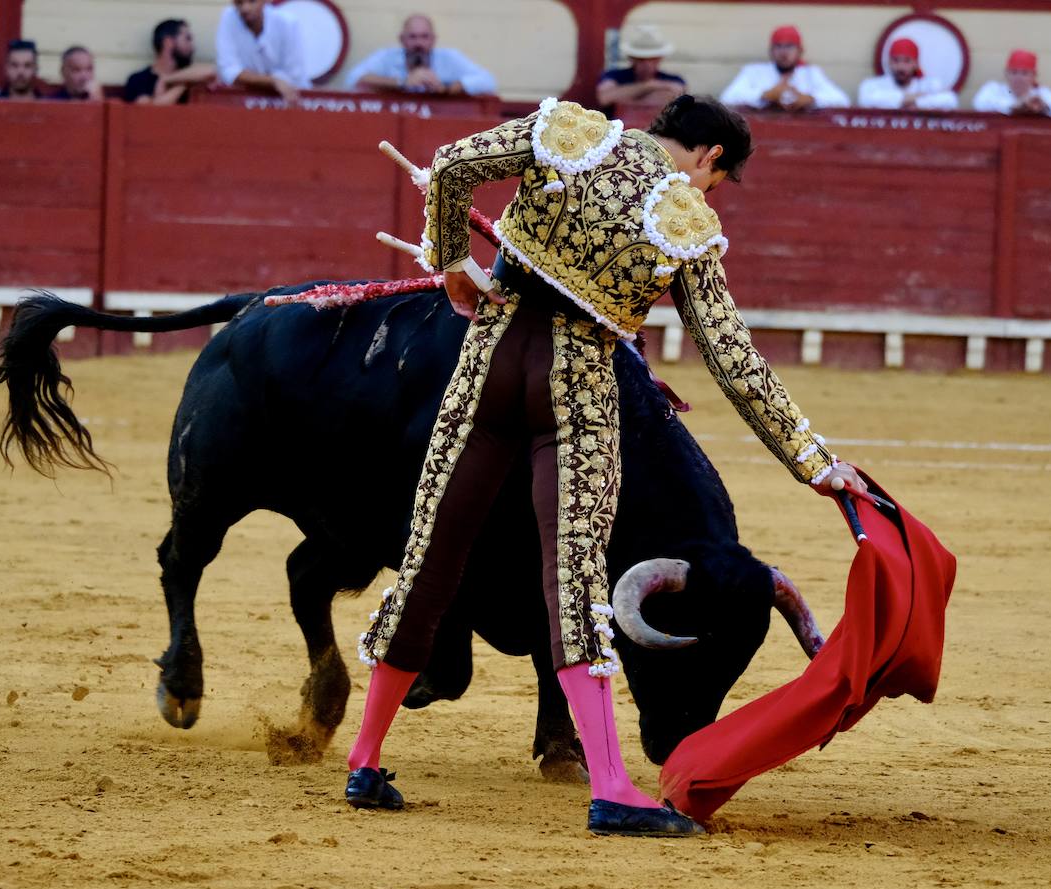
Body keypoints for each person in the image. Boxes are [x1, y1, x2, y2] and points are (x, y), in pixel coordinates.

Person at [345, 94, 866, 836]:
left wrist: (453, 261)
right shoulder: (684, 220)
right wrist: (813, 461)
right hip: (577, 387)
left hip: (487, 362)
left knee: (430, 558)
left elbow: (453, 166)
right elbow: (732, 359)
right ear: (710, 157)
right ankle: (612, 786)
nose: (708, 192)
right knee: (575, 580)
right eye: (717, 180)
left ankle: (364, 762)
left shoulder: (569, 130)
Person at [345, 14, 496, 96]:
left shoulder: (448, 58)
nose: (419, 43)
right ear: (402, 39)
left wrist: (448, 88)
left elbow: (489, 81)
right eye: (413, 37)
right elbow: (353, 79)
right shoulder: (387, 57)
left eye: (424, 37)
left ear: (433, 39)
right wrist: (402, 82)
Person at [719, 25, 848, 111]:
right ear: (771, 51)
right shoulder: (754, 71)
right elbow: (727, 98)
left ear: (800, 51)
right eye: (779, 46)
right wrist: (764, 95)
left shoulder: (811, 73)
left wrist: (810, 99)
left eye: (789, 46)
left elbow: (842, 101)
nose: (784, 52)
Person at [216, 0, 310, 104]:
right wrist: (272, 81)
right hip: (245, 98)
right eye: (239, 3)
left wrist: (254, 79)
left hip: (290, 100)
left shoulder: (287, 23)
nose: (245, 8)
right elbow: (228, 71)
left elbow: (294, 76)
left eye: (252, 1)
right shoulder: (228, 17)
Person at [594, 24, 686, 117]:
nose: (647, 64)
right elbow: (604, 98)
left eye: (652, 59)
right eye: (641, 59)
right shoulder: (612, 76)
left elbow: (678, 96)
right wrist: (650, 86)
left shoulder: (674, 79)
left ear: (659, 59)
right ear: (632, 59)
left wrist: (626, 94)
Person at [124, 18, 217, 105]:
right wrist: (184, 83)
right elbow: (150, 109)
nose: (192, 47)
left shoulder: (190, 74)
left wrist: (167, 80)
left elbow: (214, 71)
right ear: (168, 42)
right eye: (187, 39)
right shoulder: (139, 79)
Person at [857, 37, 955, 110]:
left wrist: (917, 104)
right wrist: (915, 97)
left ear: (916, 64)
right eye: (896, 61)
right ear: (889, 63)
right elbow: (865, 99)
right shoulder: (873, 85)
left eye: (906, 61)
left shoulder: (929, 84)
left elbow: (950, 100)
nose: (901, 67)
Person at [972, 49, 1051, 117]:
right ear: (1006, 74)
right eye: (1014, 72)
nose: (1018, 77)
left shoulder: (1042, 93)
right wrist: (1015, 106)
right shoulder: (994, 88)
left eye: (1024, 73)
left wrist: (1044, 107)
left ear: (1034, 76)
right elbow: (979, 103)